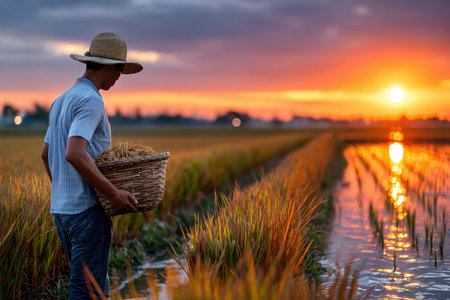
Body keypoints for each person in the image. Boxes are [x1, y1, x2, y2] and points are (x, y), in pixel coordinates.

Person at [41, 32, 142, 299]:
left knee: (95, 289)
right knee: (87, 293)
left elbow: (45, 154)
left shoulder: (60, 100)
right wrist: (112, 193)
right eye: (119, 69)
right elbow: (74, 152)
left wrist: (65, 191)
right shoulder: (91, 100)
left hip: (62, 214)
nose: (119, 77)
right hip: (88, 214)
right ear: (108, 66)